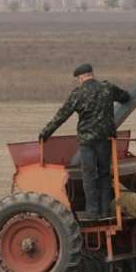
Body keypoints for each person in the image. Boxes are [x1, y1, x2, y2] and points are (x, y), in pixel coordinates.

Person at [39, 64, 130, 221]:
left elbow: (61, 115)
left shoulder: (78, 93)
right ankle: (105, 211)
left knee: (89, 175)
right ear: (92, 74)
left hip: (87, 141)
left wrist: (45, 133)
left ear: (81, 78)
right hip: (105, 139)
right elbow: (125, 97)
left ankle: (92, 212)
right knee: (104, 174)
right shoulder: (107, 88)